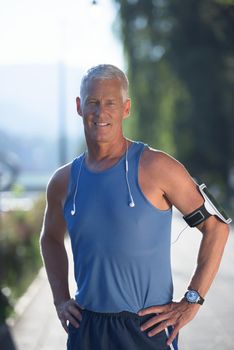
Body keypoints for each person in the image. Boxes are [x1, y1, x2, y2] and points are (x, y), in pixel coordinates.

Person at [40, 64, 230, 350]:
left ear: (126, 109)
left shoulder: (158, 167)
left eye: (110, 103)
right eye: (92, 102)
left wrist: (192, 300)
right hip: (86, 328)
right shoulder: (64, 180)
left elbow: (216, 228)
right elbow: (50, 238)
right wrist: (60, 299)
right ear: (79, 106)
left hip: (145, 329)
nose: (100, 112)